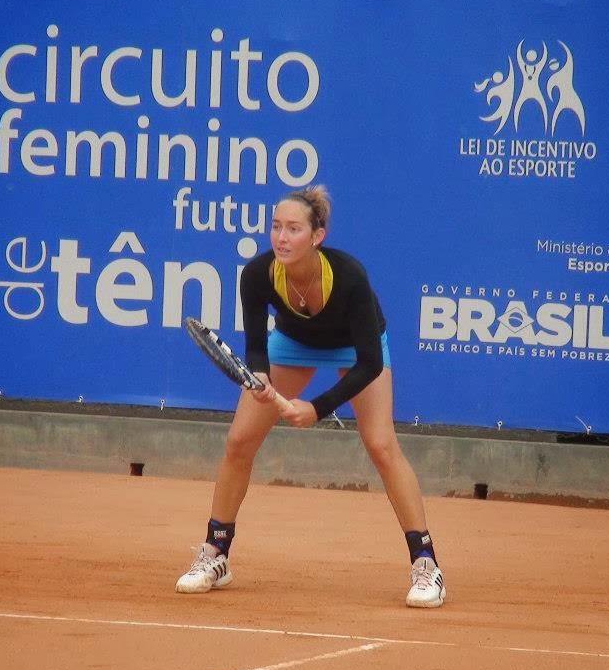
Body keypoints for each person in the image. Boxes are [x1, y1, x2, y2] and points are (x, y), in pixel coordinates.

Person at [175, 185, 446, 608]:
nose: (281, 238)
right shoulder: (258, 274)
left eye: (294, 229)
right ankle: (215, 553)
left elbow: (370, 364)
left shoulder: (350, 277)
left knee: (381, 444)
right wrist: (260, 376)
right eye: (276, 227)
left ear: (317, 236)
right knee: (239, 442)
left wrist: (317, 408)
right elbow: (256, 346)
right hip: (293, 343)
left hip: (356, 348)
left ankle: (426, 563)